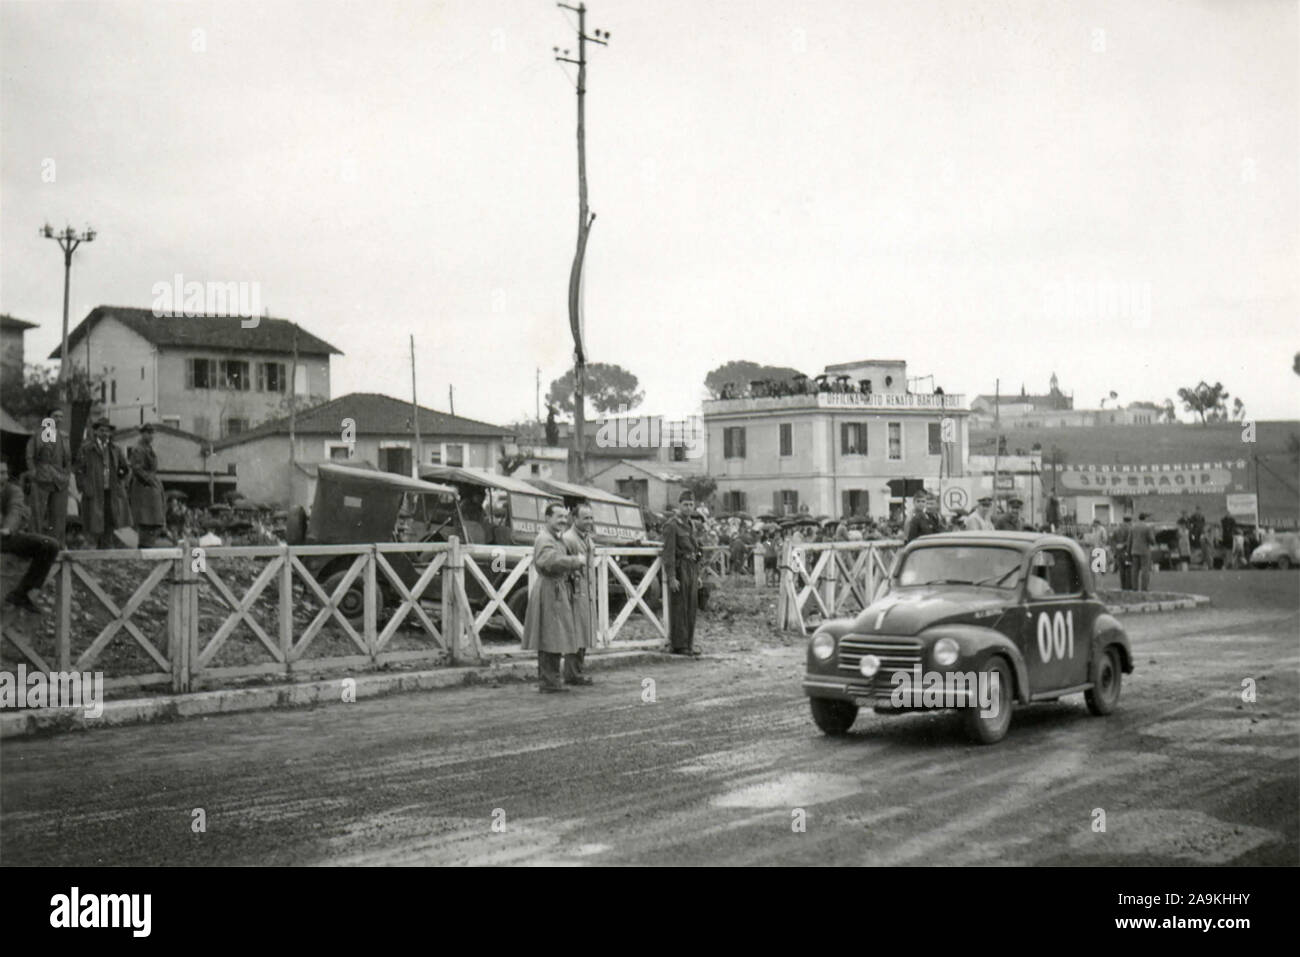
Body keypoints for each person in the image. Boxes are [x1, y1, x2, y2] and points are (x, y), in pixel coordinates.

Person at [522, 502, 587, 693]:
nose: (563, 521)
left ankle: (551, 680)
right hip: (550, 589)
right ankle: (549, 681)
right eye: (558, 517)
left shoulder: (555, 538)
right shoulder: (545, 539)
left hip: (557, 588)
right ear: (547, 518)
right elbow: (548, 561)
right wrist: (575, 561)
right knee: (550, 634)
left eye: (565, 517)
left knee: (554, 634)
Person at [0, 460, 60, 613]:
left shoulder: (12, 491)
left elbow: (15, 509)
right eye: (0, 473)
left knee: (50, 545)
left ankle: (22, 593)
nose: (4, 477)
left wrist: (7, 528)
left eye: (5, 473)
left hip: (5, 537)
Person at [76, 418, 133, 549]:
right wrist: (85, 486)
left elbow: (125, 468)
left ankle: (106, 553)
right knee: (94, 523)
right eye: (101, 430)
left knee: (110, 521)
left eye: (107, 431)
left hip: (111, 493)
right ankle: (92, 552)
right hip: (94, 492)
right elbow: (79, 470)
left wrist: (121, 484)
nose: (105, 433)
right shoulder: (87, 449)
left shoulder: (115, 449)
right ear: (95, 432)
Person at [561, 501, 597, 686]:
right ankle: (572, 673)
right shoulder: (569, 539)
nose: (589, 521)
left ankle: (577, 670)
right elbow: (564, 565)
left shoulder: (587, 538)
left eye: (591, 517)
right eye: (585, 518)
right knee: (575, 631)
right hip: (574, 590)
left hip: (586, 590)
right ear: (574, 518)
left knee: (584, 630)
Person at [662, 493, 702, 656]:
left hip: (691, 567)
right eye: (685, 504)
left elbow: (696, 549)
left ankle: (689, 643)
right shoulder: (672, 525)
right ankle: (679, 645)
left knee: (691, 607)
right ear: (679, 505)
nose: (688, 507)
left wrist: (698, 574)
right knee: (680, 606)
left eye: (691, 504)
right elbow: (668, 553)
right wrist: (671, 577)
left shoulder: (691, 524)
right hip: (680, 569)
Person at [24, 406, 71, 546]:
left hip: (60, 480)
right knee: (37, 514)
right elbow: (29, 456)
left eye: (61, 416)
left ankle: (56, 546)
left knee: (58, 515)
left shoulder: (64, 436)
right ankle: (35, 546)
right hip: (41, 479)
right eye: (56, 416)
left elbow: (68, 459)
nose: (59, 419)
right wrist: (33, 473)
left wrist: (67, 474)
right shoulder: (38, 435)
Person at [127, 423, 166, 547]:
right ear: (142, 434)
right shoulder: (138, 449)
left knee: (154, 518)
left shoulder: (148, 448)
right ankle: (144, 544)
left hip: (151, 485)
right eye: (147, 433)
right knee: (145, 518)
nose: (150, 436)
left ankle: (149, 543)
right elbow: (137, 468)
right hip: (143, 486)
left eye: (152, 433)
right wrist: (150, 480)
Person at [1130, 512, 1157, 591]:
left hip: (1134, 550)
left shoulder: (1133, 527)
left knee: (1134, 570)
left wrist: (1129, 551)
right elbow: (1151, 540)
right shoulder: (1147, 528)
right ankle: (1144, 588)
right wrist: (1153, 541)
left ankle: (1134, 588)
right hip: (1144, 551)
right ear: (1145, 518)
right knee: (1145, 570)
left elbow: (1130, 540)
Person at [1113, 515, 1133, 589]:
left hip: (1119, 552)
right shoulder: (1130, 529)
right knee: (1128, 569)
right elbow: (1130, 540)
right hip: (1127, 552)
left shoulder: (1116, 529)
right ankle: (1128, 586)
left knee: (1121, 570)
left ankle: (1123, 586)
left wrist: (1116, 546)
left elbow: (1112, 540)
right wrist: (1124, 545)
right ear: (1130, 521)